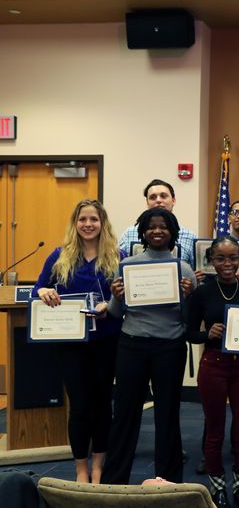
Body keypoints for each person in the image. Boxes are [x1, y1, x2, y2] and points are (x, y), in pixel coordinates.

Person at [102, 208, 196, 484]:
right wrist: (117, 296)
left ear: (172, 232)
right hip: (132, 345)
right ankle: (114, 482)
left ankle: (169, 482)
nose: (157, 231)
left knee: (167, 415)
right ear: (142, 231)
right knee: (124, 414)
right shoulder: (128, 265)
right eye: (151, 227)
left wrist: (188, 297)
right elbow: (117, 313)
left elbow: (189, 319)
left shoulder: (183, 268)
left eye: (163, 227)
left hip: (170, 347)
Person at [32, 199, 123, 484]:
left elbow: (127, 297)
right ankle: (81, 468)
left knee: (102, 404)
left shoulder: (116, 256)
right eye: (82, 219)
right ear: (75, 223)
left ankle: (99, 466)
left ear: (102, 223)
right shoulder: (59, 256)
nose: (88, 224)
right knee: (80, 406)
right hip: (72, 344)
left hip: (107, 341)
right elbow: (37, 290)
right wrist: (46, 291)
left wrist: (110, 304)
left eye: (93, 219)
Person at [187, 236, 239, 508]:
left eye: (233, 258)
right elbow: (189, 332)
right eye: (221, 258)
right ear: (211, 261)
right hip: (214, 365)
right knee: (214, 431)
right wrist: (208, 333)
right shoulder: (202, 292)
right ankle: (217, 488)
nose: (227, 264)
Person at [117, 179, 197, 265]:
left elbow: (195, 268)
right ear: (147, 202)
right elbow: (120, 265)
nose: (158, 200)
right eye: (152, 197)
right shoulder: (128, 234)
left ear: (173, 200)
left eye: (163, 196)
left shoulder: (190, 237)